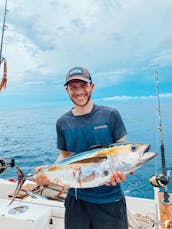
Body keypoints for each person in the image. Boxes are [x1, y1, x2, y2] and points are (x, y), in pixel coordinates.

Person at [34, 66, 128, 229]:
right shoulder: (62, 122)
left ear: (92, 86)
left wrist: (122, 172)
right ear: (67, 90)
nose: (79, 92)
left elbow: (121, 152)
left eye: (83, 86)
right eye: (73, 87)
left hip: (110, 200)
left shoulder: (110, 115)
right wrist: (48, 171)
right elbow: (64, 155)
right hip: (76, 200)